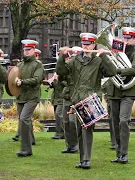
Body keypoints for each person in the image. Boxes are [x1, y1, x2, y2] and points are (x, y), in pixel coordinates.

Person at [56, 33, 116, 169]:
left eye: (88, 44)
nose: (85, 46)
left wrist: (104, 56)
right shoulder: (75, 60)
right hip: (76, 99)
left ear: (94, 44)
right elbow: (61, 71)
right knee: (79, 130)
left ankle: (86, 160)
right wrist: (62, 56)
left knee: (86, 129)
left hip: (91, 99)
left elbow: (112, 72)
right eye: (83, 44)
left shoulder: (98, 61)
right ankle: (83, 160)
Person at [108, 27, 135, 164]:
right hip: (115, 90)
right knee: (115, 123)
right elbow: (108, 66)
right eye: (124, 37)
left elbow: (134, 69)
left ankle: (124, 154)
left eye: (129, 38)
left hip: (129, 92)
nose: (126, 40)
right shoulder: (117, 50)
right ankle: (119, 154)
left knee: (123, 121)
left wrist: (118, 70)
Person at [14, 39, 44, 157]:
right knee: (24, 122)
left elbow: (37, 80)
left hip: (32, 96)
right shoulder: (20, 64)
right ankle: (27, 146)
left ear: (33, 50)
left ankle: (26, 149)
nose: (26, 52)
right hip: (21, 96)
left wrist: (22, 82)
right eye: (25, 49)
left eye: (29, 49)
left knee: (24, 119)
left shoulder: (38, 65)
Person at [61, 46, 81, 154]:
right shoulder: (68, 67)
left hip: (76, 97)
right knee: (65, 122)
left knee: (73, 121)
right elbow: (62, 79)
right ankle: (69, 144)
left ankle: (75, 144)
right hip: (67, 96)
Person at [47, 73, 65, 139]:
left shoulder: (66, 73)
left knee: (58, 114)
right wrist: (51, 82)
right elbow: (55, 86)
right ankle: (60, 133)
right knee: (57, 116)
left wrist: (59, 80)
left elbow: (68, 84)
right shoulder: (56, 73)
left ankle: (60, 133)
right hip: (56, 99)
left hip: (62, 98)